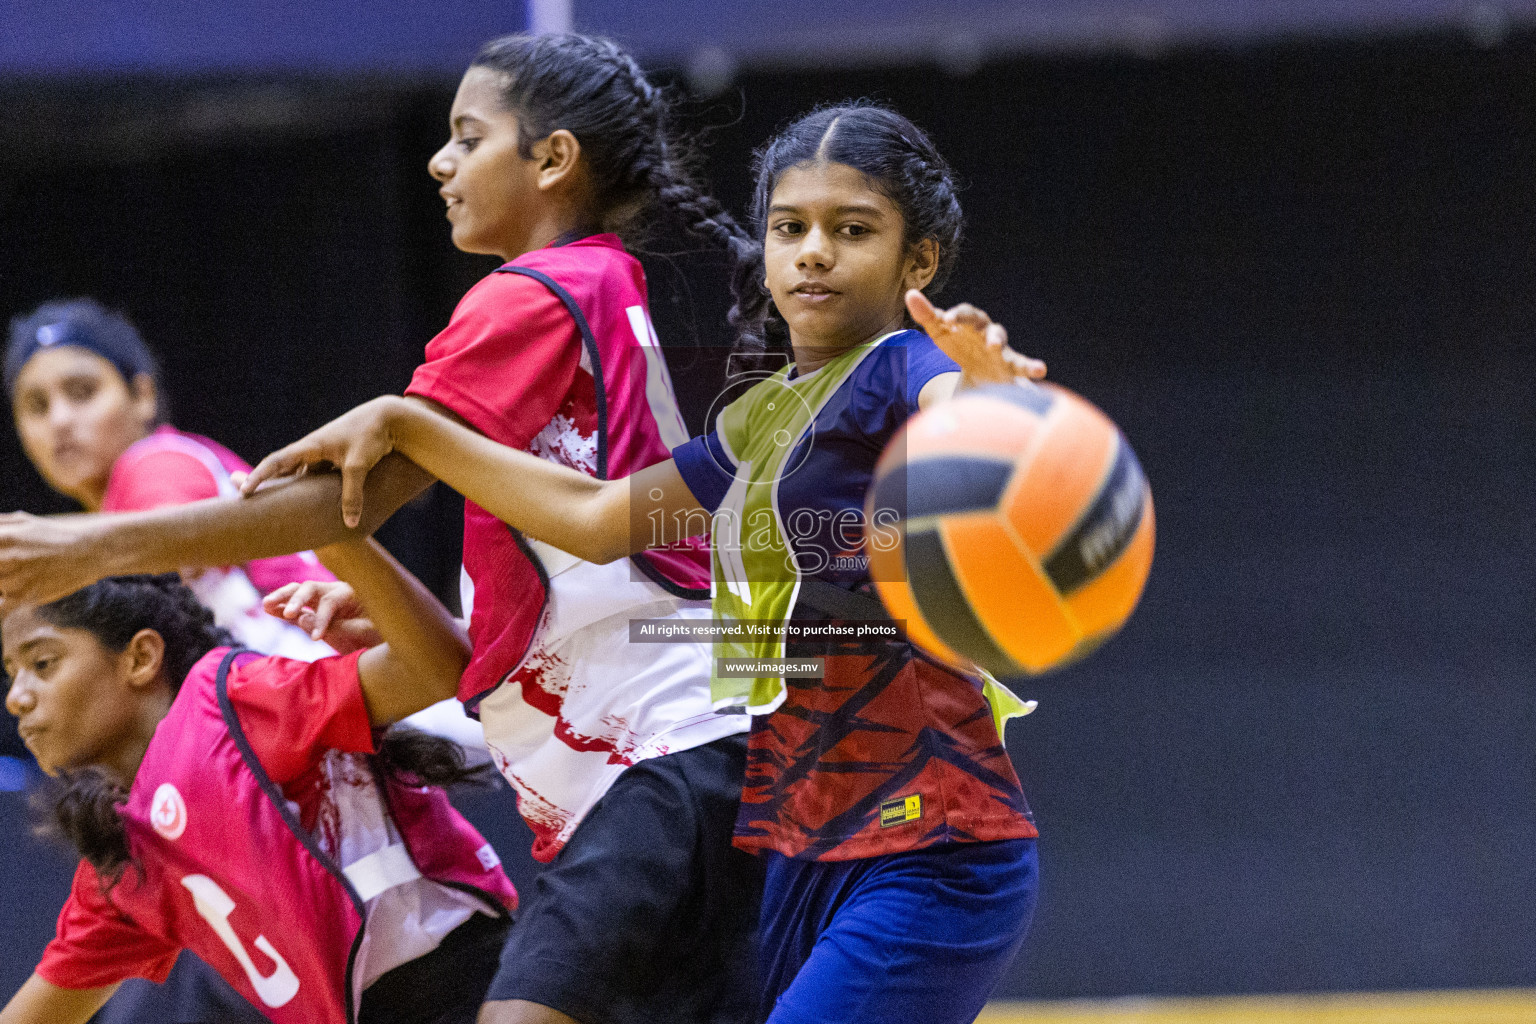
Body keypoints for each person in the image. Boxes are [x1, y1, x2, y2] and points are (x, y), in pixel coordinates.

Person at [0, 33, 764, 1024]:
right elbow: (509, 538)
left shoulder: (529, 292)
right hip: (590, 738)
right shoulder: (593, 284)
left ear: (552, 158)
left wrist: (78, 547)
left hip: (494, 742)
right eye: (32, 404)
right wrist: (366, 571)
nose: (439, 162)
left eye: (466, 136)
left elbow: (356, 497)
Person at [238, 102, 1048, 1024]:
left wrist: (987, 398)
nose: (813, 251)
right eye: (791, 227)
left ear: (920, 264)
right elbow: (589, 517)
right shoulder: (760, 422)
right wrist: (438, 527)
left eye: (851, 230)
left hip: (931, 848)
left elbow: (960, 414)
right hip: (796, 852)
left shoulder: (904, 368)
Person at [0, 537, 517, 1024]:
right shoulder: (123, 853)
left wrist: (336, 533)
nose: (16, 698)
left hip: (470, 978)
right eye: (11, 673)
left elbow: (436, 667)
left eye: (42, 663)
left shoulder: (233, 701)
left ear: (140, 657)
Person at [5, 298, 332, 660]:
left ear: (142, 396)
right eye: (37, 406)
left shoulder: (157, 461)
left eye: (83, 392)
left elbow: (159, 561)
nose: (59, 420)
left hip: (341, 683)